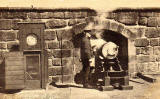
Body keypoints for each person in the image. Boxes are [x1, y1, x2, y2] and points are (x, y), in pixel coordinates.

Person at [80, 23, 94, 88]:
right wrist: (89, 58)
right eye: (89, 33)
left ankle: (84, 83)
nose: (90, 34)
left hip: (84, 57)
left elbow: (87, 49)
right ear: (86, 33)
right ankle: (86, 84)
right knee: (87, 70)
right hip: (86, 57)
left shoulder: (84, 39)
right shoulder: (86, 40)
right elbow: (86, 50)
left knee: (85, 70)